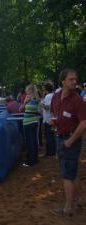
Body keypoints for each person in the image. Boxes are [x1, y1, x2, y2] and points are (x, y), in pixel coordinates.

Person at [49, 68, 86, 217]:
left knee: (67, 175)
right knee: (73, 172)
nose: (74, 81)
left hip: (70, 140)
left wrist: (70, 141)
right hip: (60, 137)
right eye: (71, 79)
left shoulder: (77, 100)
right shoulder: (56, 97)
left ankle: (68, 208)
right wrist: (52, 121)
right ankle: (83, 200)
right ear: (63, 81)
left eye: (75, 79)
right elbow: (53, 114)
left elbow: (84, 123)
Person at [20, 84, 40, 167]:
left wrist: (24, 102)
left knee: (29, 142)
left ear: (30, 91)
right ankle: (35, 159)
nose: (25, 91)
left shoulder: (28, 98)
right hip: (34, 121)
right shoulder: (36, 98)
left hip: (28, 122)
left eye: (26, 90)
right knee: (34, 141)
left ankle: (30, 161)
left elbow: (21, 109)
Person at [41, 83, 56, 156]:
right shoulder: (53, 95)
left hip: (48, 119)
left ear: (46, 89)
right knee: (51, 135)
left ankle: (50, 152)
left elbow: (49, 107)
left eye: (43, 88)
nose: (42, 89)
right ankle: (52, 151)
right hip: (51, 118)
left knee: (49, 136)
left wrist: (41, 105)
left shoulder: (48, 96)